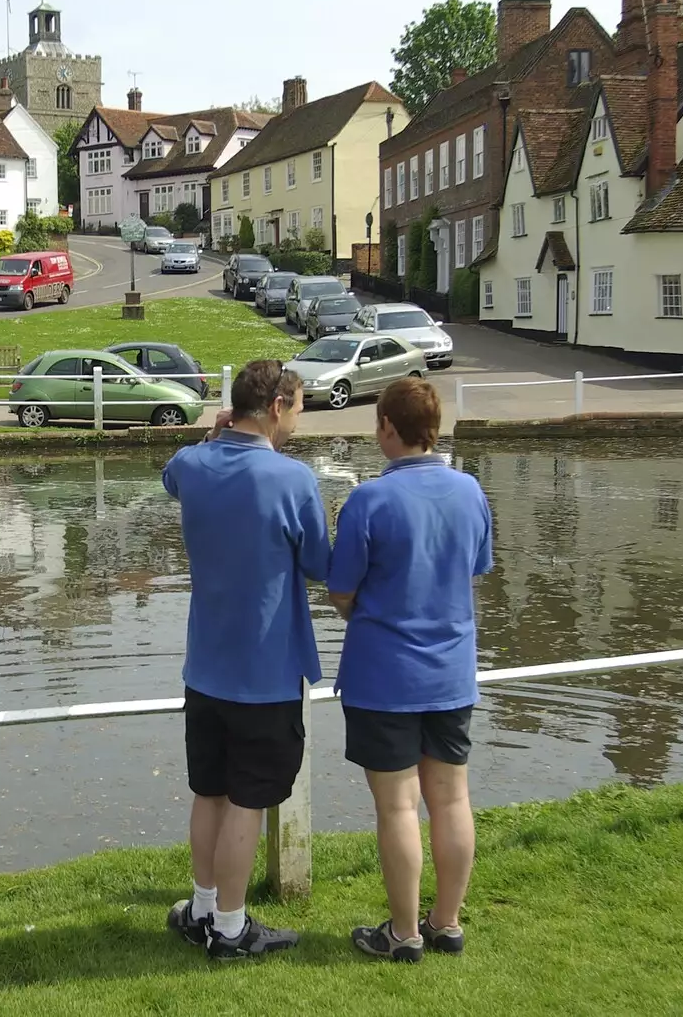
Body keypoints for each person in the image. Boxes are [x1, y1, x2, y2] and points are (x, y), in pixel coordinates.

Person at [160, 359, 330, 960]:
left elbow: (171, 474)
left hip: (204, 667)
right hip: (264, 671)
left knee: (208, 792)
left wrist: (212, 435)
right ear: (278, 406)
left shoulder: (191, 466)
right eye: (299, 409)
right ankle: (230, 929)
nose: (298, 422)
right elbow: (319, 565)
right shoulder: (293, 480)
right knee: (249, 801)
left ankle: (202, 908)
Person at [326, 376, 493, 962]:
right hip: (451, 672)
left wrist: (365, 604)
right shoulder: (470, 490)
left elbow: (340, 592)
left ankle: (402, 933)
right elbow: (475, 567)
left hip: (384, 676)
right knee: (451, 799)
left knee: (397, 806)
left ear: (388, 428)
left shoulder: (369, 500)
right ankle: (446, 923)